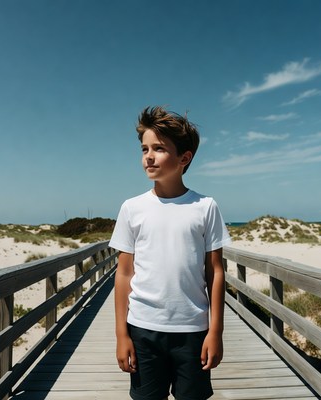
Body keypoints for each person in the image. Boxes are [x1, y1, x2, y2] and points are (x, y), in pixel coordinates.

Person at [109, 105, 231, 400]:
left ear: (184, 158)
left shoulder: (205, 207)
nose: (148, 156)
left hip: (192, 329)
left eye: (159, 148)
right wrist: (121, 334)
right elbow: (124, 273)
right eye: (144, 149)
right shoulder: (132, 208)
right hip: (142, 328)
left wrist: (216, 332)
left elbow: (214, 271)